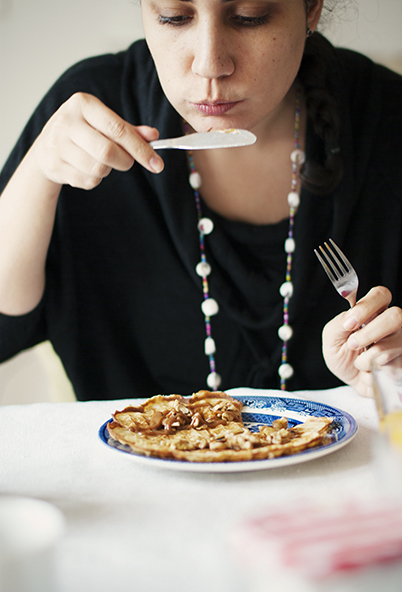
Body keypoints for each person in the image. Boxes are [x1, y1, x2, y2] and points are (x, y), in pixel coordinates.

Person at [0, 0, 402, 401]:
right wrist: (37, 174)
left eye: (249, 17)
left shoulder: (386, 118)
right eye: (174, 17)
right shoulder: (91, 113)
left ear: (310, 10)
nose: (210, 64)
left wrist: (387, 376)